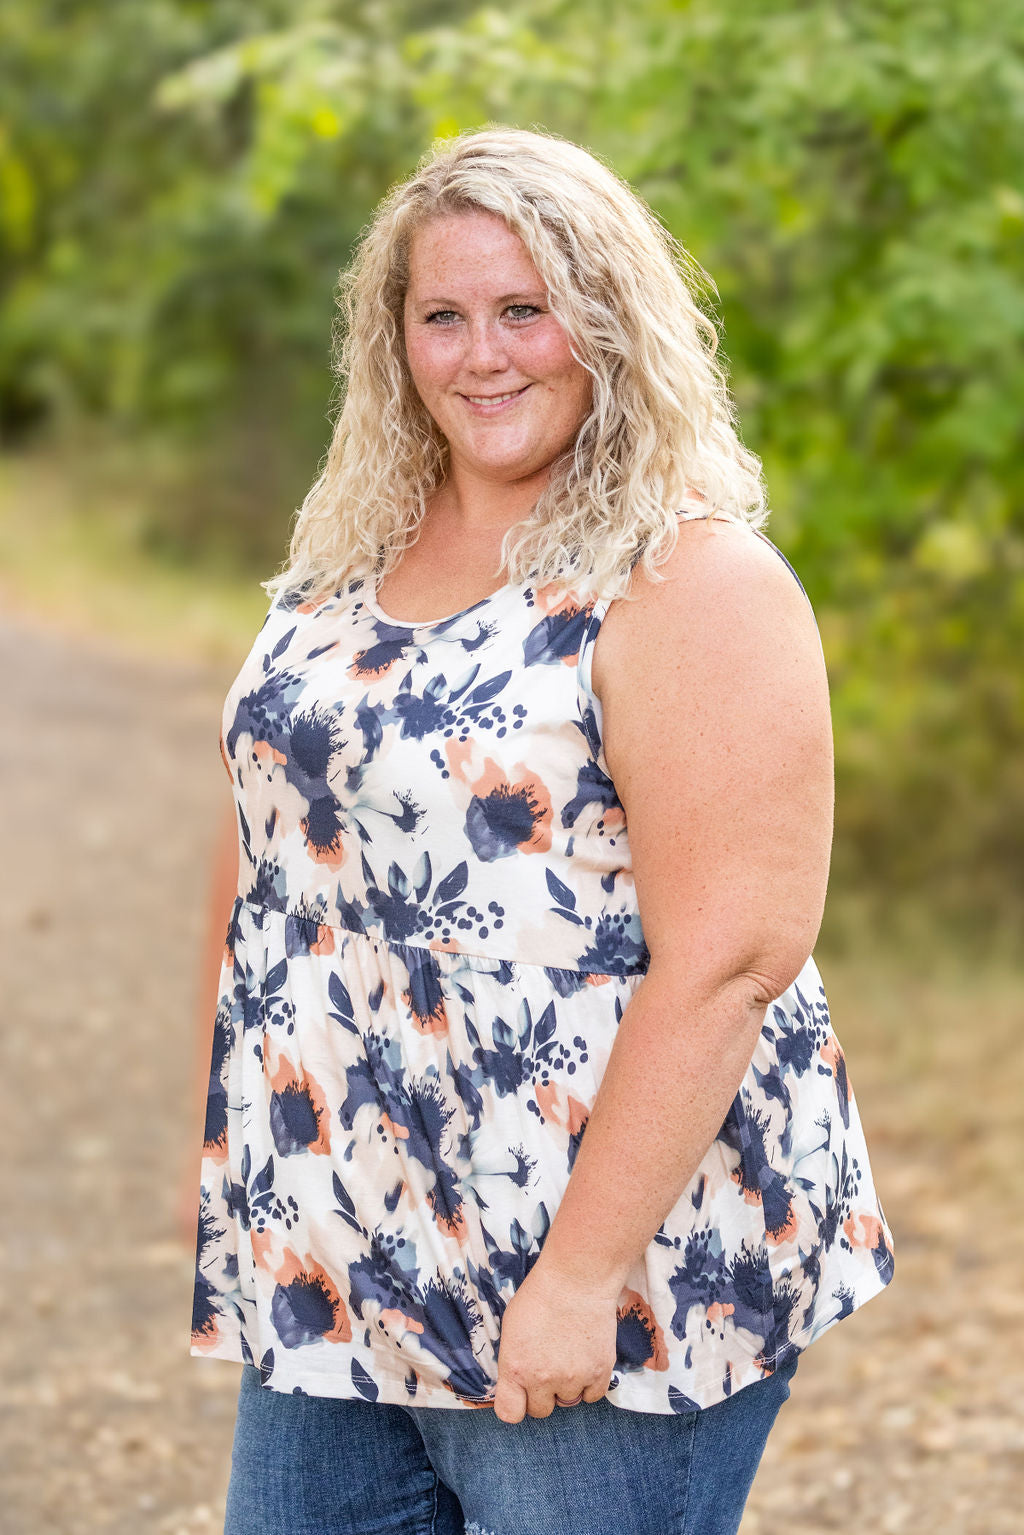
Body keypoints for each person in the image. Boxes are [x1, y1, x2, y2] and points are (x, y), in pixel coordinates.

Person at [188, 126, 894, 1534]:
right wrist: (229, 1171)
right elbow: (265, 855)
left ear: (610, 323)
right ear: (394, 343)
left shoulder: (690, 580)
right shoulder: (346, 559)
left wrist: (578, 1282)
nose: (482, 353)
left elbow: (732, 959)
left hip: (600, 1271)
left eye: (527, 308)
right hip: (343, 1243)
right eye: (441, 315)